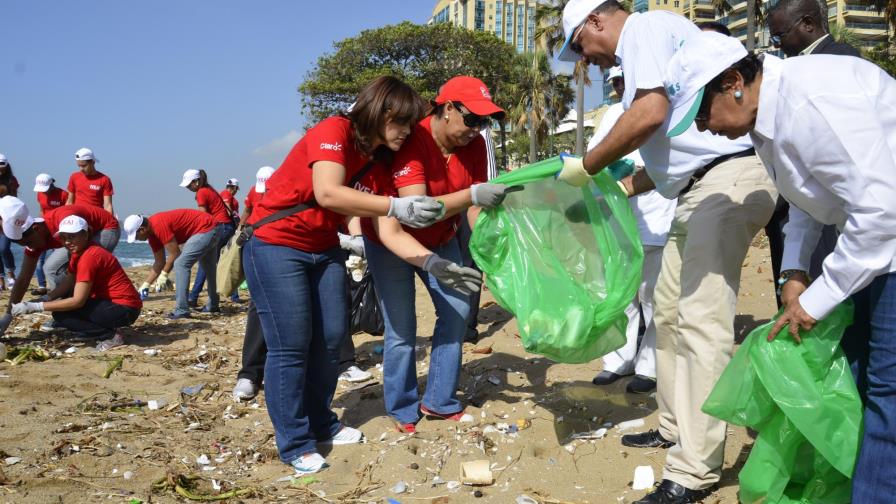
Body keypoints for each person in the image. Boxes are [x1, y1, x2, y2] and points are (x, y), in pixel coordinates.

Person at [554, 1, 777, 502]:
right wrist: (612, 193)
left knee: (701, 324)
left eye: (580, 46)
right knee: (670, 314)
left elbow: (650, 114)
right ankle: (675, 428)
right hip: (696, 188)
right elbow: (672, 157)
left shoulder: (646, 29)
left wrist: (587, 165)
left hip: (726, 180)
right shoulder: (648, 46)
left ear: (595, 21)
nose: (586, 59)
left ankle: (694, 470)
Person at [663, 30, 896, 504]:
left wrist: (816, 300)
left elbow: (881, 213)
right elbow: (808, 197)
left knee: (887, 389)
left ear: (733, 82)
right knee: (853, 372)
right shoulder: (767, 120)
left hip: (884, 240)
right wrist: (794, 272)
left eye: (701, 114)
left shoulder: (811, 104)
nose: (703, 129)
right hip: (867, 246)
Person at [242, 75, 444, 475]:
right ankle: (295, 441)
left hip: (323, 248)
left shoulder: (376, 160)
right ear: (383, 112)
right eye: (403, 122)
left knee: (333, 337)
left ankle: (321, 422)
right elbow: (328, 192)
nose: (408, 131)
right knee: (291, 346)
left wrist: (431, 262)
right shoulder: (333, 130)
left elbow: (387, 228)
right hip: (275, 245)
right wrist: (394, 206)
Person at [363, 76, 515, 434]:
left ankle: (439, 400)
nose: (476, 129)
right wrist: (472, 195)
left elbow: (473, 208)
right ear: (447, 109)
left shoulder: (474, 145)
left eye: (483, 122)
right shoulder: (411, 138)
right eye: (471, 119)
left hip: (442, 238)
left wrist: (488, 250)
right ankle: (401, 406)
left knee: (458, 312)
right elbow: (419, 209)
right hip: (393, 240)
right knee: (402, 326)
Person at [762, 0, 862, 306]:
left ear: (808, 23)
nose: (777, 44)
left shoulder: (838, 60)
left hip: (848, 207)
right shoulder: (796, 67)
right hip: (812, 207)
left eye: (780, 35)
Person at [589, 67, 675, 395]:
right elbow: (596, 155)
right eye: (616, 82)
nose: (620, 87)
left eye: (625, 80)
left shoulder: (664, 106)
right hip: (620, 216)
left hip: (657, 213)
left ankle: (650, 366)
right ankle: (618, 360)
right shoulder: (614, 113)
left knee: (654, 297)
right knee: (623, 294)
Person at [9, 216, 141, 351]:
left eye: (72, 237)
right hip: (117, 305)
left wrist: (36, 306)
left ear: (86, 235)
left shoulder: (89, 256)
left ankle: (110, 336)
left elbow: (78, 301)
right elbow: (69, 280)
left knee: (62, 315)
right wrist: (46, 298)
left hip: (125, 309)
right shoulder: (79, 252)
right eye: (63, 238)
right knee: (63, 312)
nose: (67, 242)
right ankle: (102, 328)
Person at [0, 198, 121, 335]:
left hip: (105, 227)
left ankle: (86, 313)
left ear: (36, 229)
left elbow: (83, 248)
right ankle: (65, 311)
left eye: (29, 243)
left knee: (82, 266)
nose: (30, 247)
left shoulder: (65, 222)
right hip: (77, 235)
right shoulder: (33, 240)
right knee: (52, 268)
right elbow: (23, 278)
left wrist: (39, 306)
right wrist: (8, 316)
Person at [123, 209, 221, 319]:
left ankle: (182, 310)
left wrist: (164, 275)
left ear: (142, 229)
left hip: (207, 228)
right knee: (208, 268)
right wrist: (146, 285)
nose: (137, 239)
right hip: (211, 227)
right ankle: (213, 305)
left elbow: (175, 253)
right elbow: (159, 262)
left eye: (136, 236)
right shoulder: (152, 236)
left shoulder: (158, 225)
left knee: (181, 264)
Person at [180, 169, 234, 310]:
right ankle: (213, 300)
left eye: (189, 185)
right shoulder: (208, 188)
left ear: (196, 181)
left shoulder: (201, 192)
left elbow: (202, 218)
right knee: (211, 264)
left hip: (220, 226)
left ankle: (193, 297)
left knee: (206, 263)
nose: (188, 188)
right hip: (225, 226)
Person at [33, 173, 69, 295]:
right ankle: (42, 286)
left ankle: (60, 285)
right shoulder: (40, 194)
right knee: (39, 257)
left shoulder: (63, 194)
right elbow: (41, 211)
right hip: (44, 229)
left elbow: (68, 212)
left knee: (59, 260)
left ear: (51, 184)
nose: (44, 192)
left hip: (58, 231)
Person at [66, 148, 114, 215]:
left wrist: (110, 220)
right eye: (79, 166)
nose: (81, 169)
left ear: (93, 162)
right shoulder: (74, 177)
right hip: (78, 216)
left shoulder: (105, 180)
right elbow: (69, 202)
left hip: (96, 217)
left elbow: (108, 205)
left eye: (84, 166)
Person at [0, 154, 21, 289]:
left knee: (4, 248)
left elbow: (14, 198)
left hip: (7, 217)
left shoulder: (11, 180)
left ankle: (11, 276)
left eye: (2, 165)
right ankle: (1, 280)